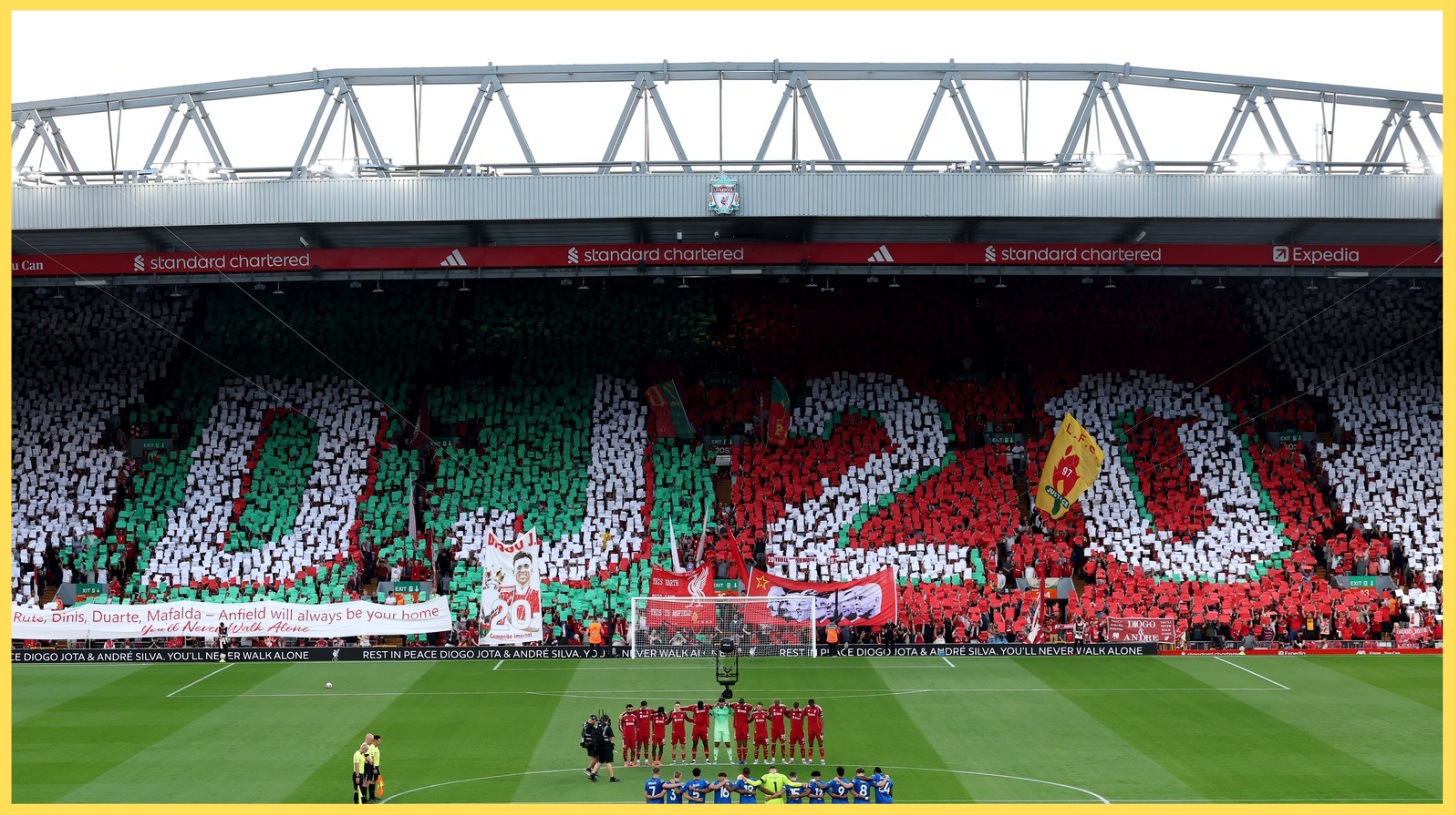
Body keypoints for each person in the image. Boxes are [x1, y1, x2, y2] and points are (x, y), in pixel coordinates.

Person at [485, 550, 541, 639]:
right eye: (519, 567)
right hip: (500, 639)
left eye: (526, 566)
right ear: (513, 572)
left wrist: (511, 619)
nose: (522, 570)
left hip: (522, 640)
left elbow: (536, 625)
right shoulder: (504, 592)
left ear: (532, 570)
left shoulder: (535, 595)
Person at [710, 698, 734, 763]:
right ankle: (715, 760)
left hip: (725, 730)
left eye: (722, 702)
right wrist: (712, 708)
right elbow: (708, 715)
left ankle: (731, 760)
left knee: (728, 744)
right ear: (718, 703)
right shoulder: (715, 709)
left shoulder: (727, 709)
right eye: (720, 702)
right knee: (716, 744)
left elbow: (733, 714)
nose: (721, 703)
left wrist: (730, 708)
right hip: (717, 730)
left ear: (724, 703)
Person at [804, 699, 826, 765]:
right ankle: (810, 760)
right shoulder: (807, 708)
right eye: (810, 705)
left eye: (812, 705)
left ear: (814, 703)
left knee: (820, 744)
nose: (811, 706)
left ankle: (822, 760)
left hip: (818, 729)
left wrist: (822, 729)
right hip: (810, 729)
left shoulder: (818, 708)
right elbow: (801, 713)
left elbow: (822, 719)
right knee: (810, 744)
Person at [731, 698, 752, 764]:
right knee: (739, 744)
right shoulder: (735, 705)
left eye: (742, 704)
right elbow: (727, 704)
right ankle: (740, 760)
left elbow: (753, 708)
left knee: (745, 743)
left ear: (743, 703)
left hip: (745, 728)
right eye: (740, 704)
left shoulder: (748, 706)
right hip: (737, 728)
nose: (741, 706)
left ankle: (744, 760)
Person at [621, 703, 640, 767]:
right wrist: (623, 733)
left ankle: (632, 762)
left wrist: (635, 733)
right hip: (625, 736)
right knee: (625, 749)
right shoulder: (623, 717)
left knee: (633, 749)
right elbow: (620, 726)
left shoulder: (635, 717)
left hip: (633, 736)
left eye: (631, 709)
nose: (630, 710)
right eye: (629, 709)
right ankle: (626, 762)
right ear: (626, 709)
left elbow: (637, 726)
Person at [364, 734, 382, 803]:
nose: (380, 742)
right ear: (375, 740)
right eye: (379, 741)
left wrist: (378, 767)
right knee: (371, 781)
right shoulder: (371, 747)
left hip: (376, 766)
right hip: (373, 766)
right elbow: (371, 758)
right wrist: (374, 767)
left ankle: (373, 796)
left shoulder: (376, 747)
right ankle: (371, 797)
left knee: (374, 781)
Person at [584, 715, 601, 779]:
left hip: (588, 744)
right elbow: (596, 733)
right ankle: (588, 769)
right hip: (591, 744)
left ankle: (594, 771)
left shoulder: (586, 724)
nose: (595, 722)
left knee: (595, 757)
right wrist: (599, 727)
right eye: (595, 721)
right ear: (592, 720)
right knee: (595, 758)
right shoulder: (590, 727)